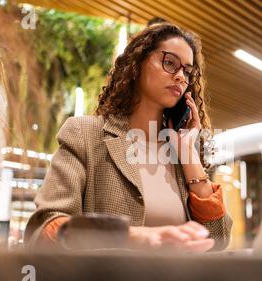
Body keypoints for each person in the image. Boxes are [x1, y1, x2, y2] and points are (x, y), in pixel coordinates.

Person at [24, 23, 232, 253]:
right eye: (170, 63)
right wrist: (131, 237)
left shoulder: (181, 152)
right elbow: (44, 229)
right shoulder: (85, 134)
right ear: (137, 64)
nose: (181, 77)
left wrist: (190, 157)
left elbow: (218, 242)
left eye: (187, 71)